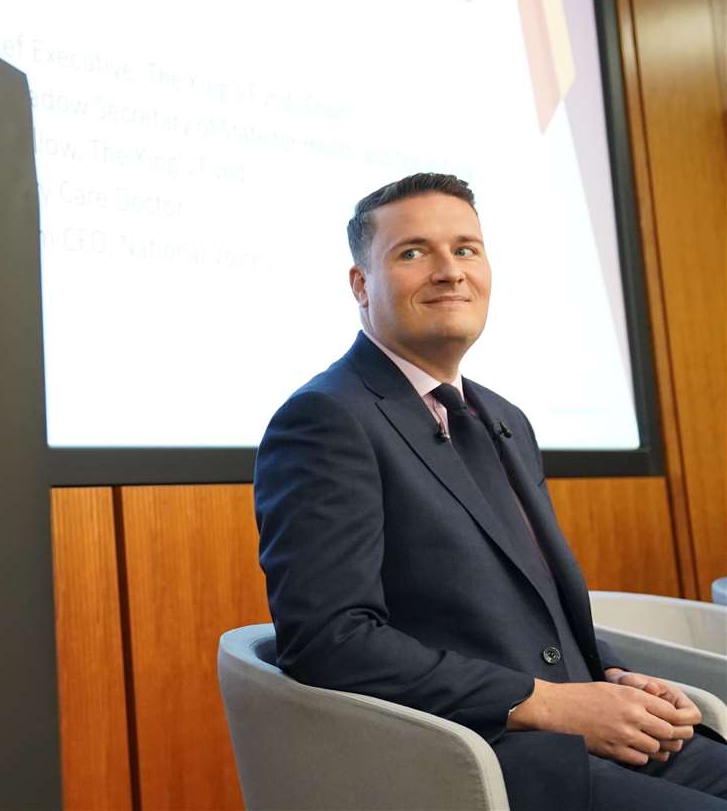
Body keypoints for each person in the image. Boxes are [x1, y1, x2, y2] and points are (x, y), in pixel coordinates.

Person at [254, 172, 727, 810]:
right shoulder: (327, 418)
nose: (450, 271)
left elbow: (534, 613)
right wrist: (551, 703)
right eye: (413, 252)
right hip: (486, 757)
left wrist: (612, 677)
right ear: (361, 285)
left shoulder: (502, 416)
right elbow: (330, 640)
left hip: (590, 734)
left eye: (466, 248)